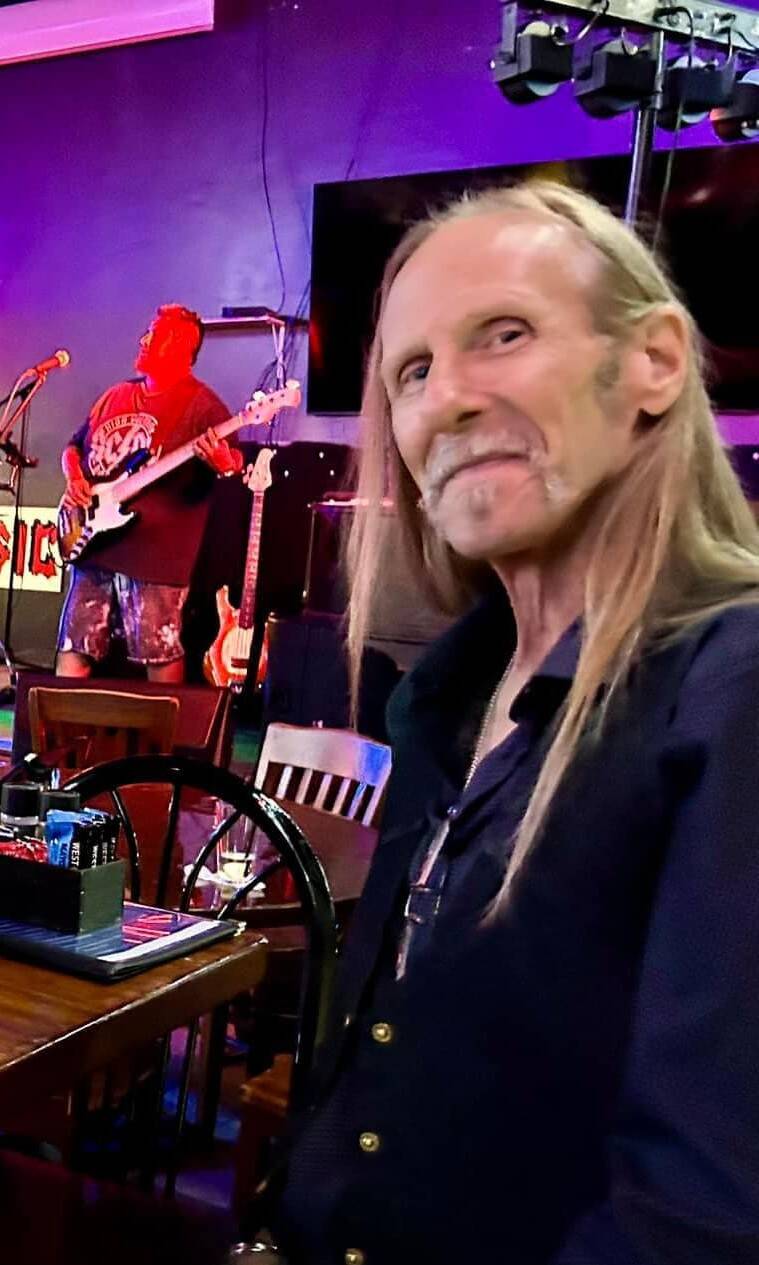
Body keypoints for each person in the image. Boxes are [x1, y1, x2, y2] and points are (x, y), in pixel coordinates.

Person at [262, 183, 759, 1264]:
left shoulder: (732, 687)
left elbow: (702, 1216)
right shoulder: (443, 696)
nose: (446, 401)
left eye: (504, 333)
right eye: (412, 371)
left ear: (655, 362)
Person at [56, 303, 242, 683]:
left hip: (155, 558)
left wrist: (223, 461)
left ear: (181, 346)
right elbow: (73, 447)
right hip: (94, 545)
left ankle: (165, 726)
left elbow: (233, 461)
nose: (143, 339)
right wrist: (75, 479)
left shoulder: (202, 405)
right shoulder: (116, 394)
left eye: (154, 334)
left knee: (159, 651)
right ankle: (60, 722)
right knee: (74, 648)